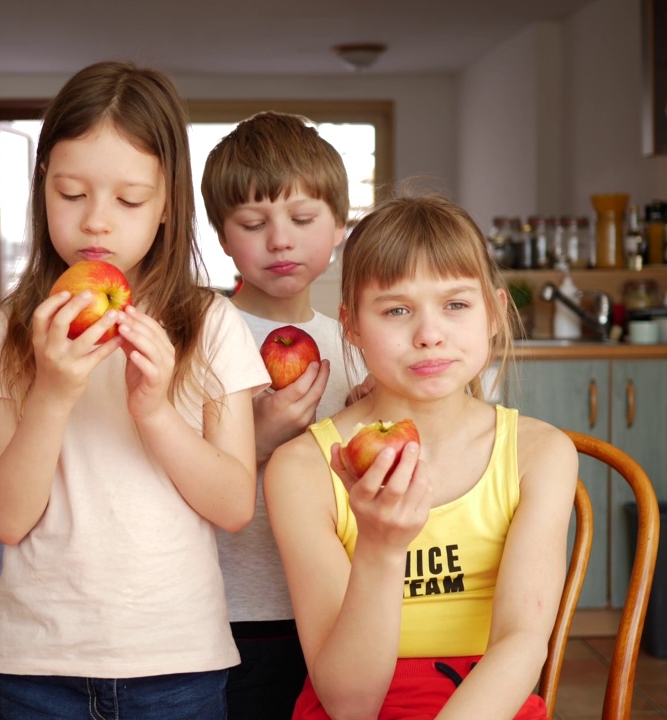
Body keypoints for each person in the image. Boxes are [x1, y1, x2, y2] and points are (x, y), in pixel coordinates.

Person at [0, 61, 270, 720]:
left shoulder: (209, 326)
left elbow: (235, 504)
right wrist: (52, 391)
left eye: (128, 201)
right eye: (72, 194)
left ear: (166, 206)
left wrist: (154, 412)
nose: (97, 224)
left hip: (179, 660)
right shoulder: (10, 331)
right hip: (39, 662)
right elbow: (6, 519)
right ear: (42, 188)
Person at [264, 193, 578, 720]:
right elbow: (348, 702)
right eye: (396, 310)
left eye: (456, 305)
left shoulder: (540, 455)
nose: (430, 335)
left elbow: (522, 643)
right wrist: (382, 550)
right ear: (352, 326)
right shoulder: (303, 469)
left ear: (495, 313)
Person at [200, 111, 362, 719]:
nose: (281, 241)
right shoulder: (200, 338)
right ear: (221, 235)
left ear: (340, 225)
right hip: (231, 612)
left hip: (338, 609)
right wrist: (258, 440)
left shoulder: (357, 344)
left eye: (302, 219)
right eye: (252, 223)